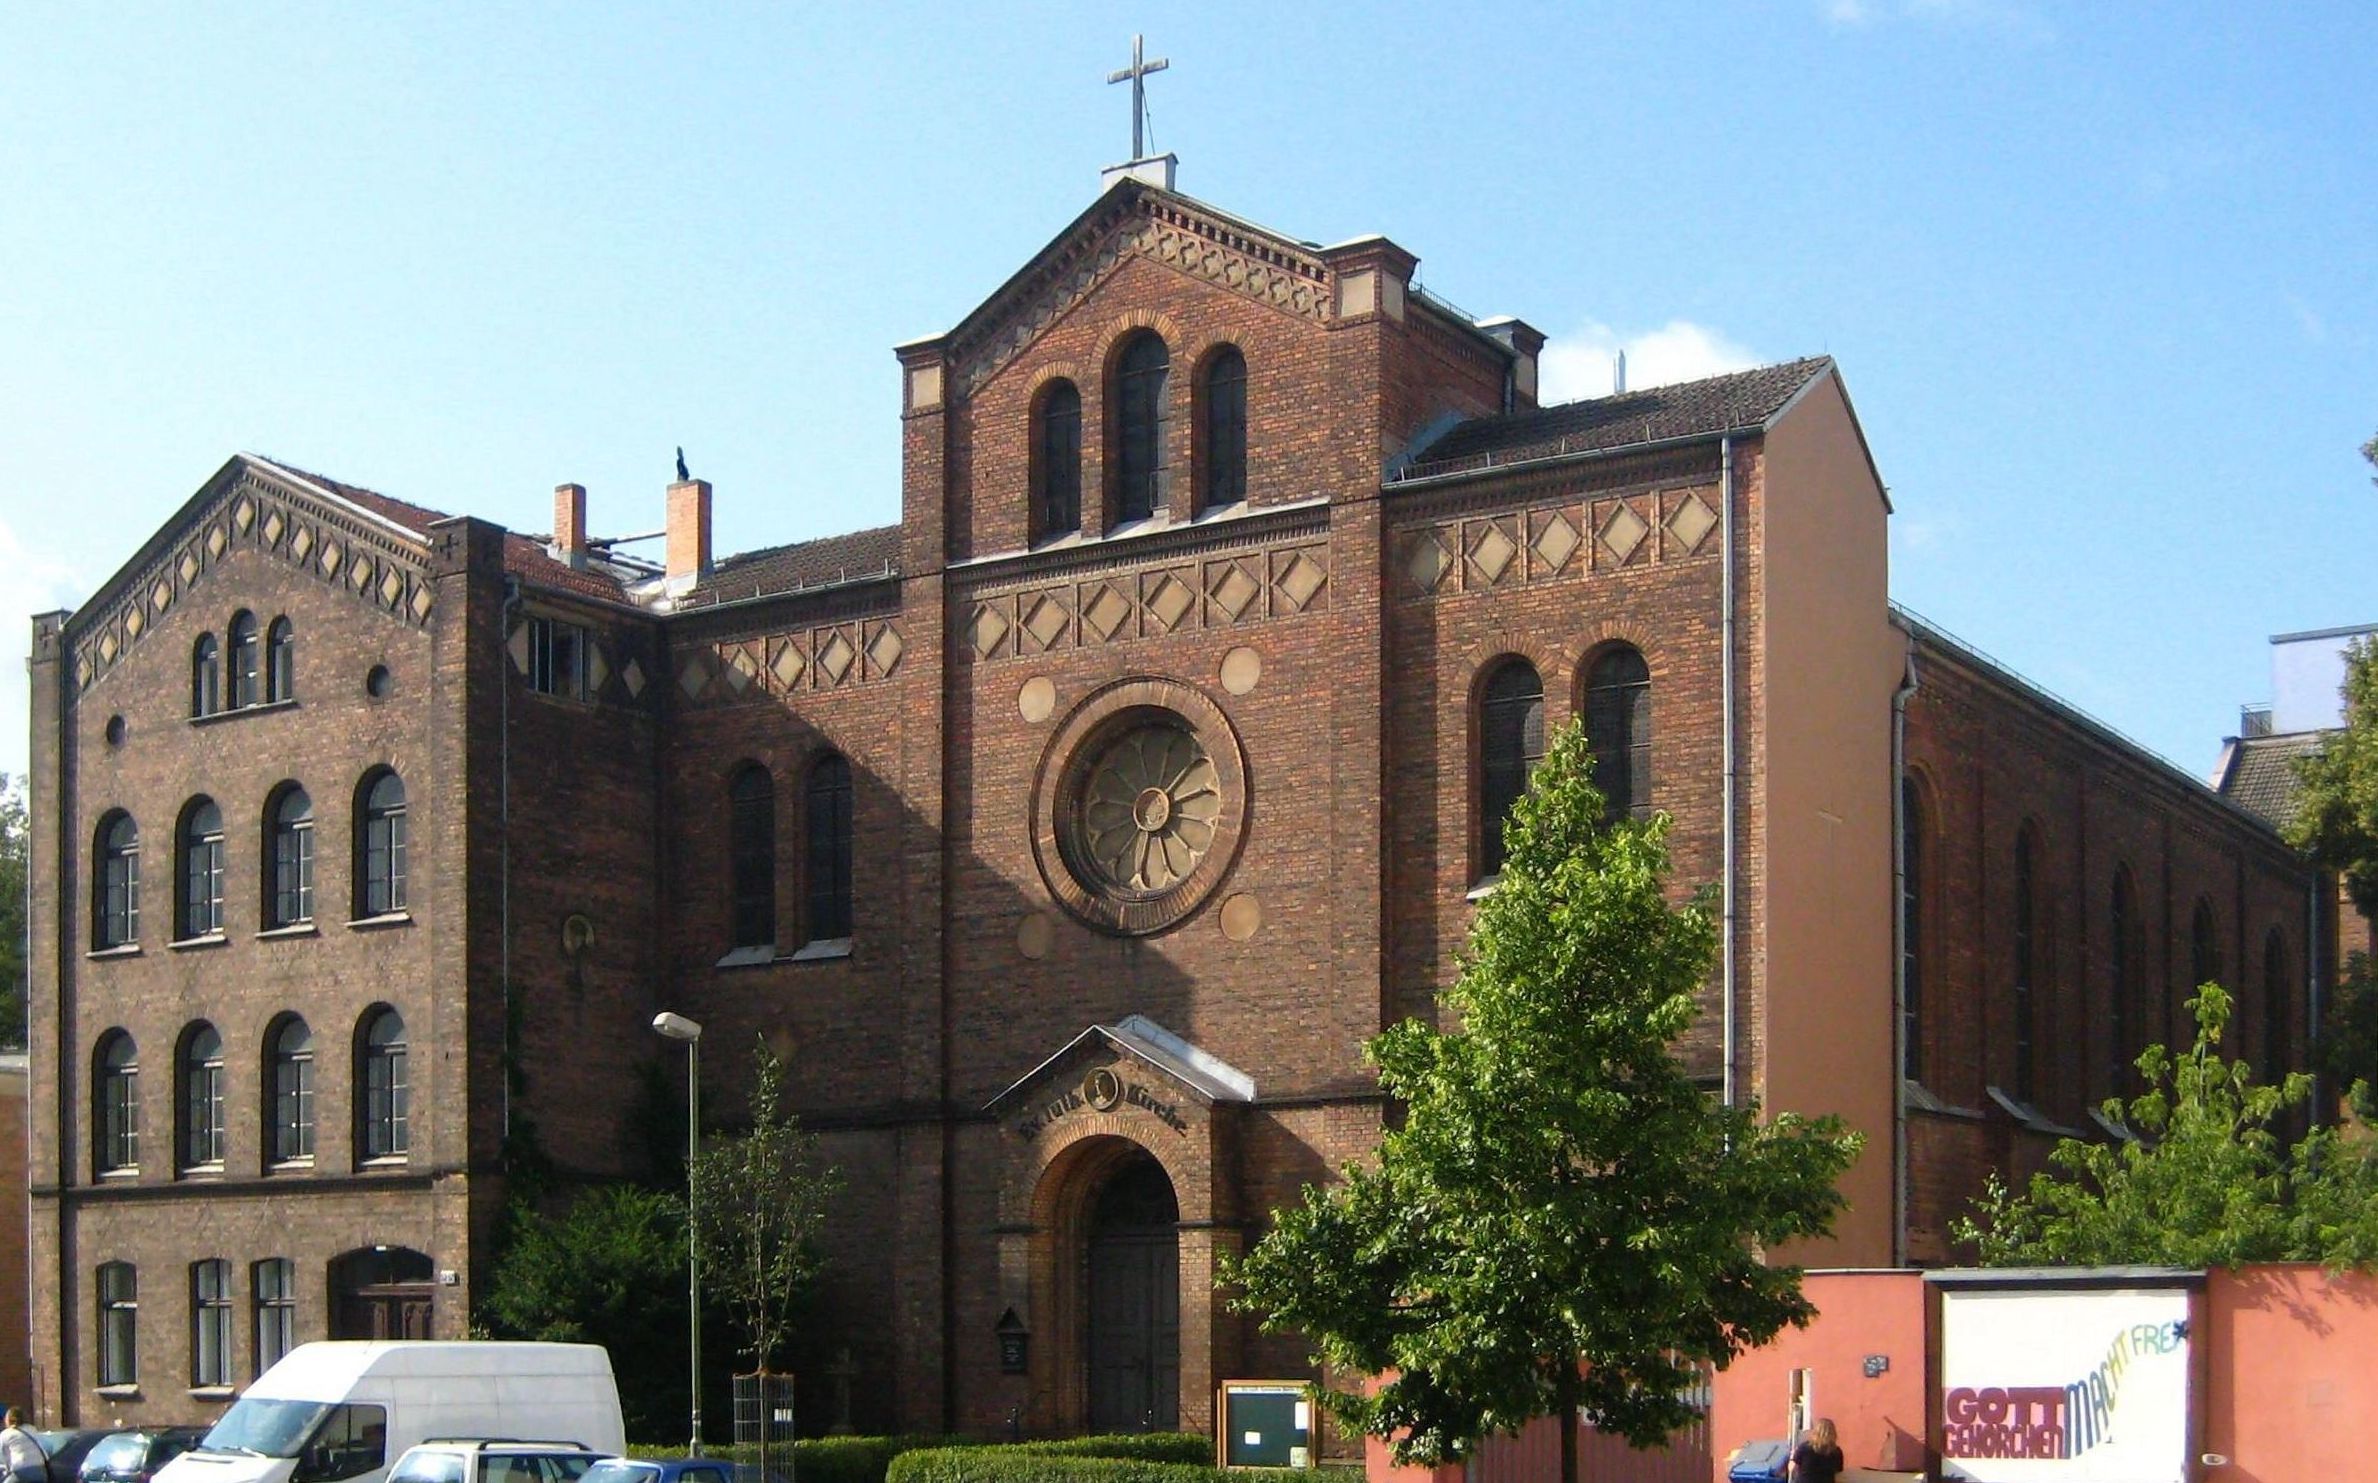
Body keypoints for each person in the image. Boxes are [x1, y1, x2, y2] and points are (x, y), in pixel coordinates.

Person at [1790, 1417, 1844, 1483]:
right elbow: (1838, 1474)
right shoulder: (1837, 1452)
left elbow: (1792, 1468)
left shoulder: (1805, 1447)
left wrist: (1792, 1457)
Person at [0, 1407, 47, 1483]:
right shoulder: (32, 1429)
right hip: (40, 1470)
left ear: (8, 1419)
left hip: (21, 1470)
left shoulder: (5, 1434)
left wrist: (8, 1469)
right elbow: (43, 1446)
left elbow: (4, 1456)